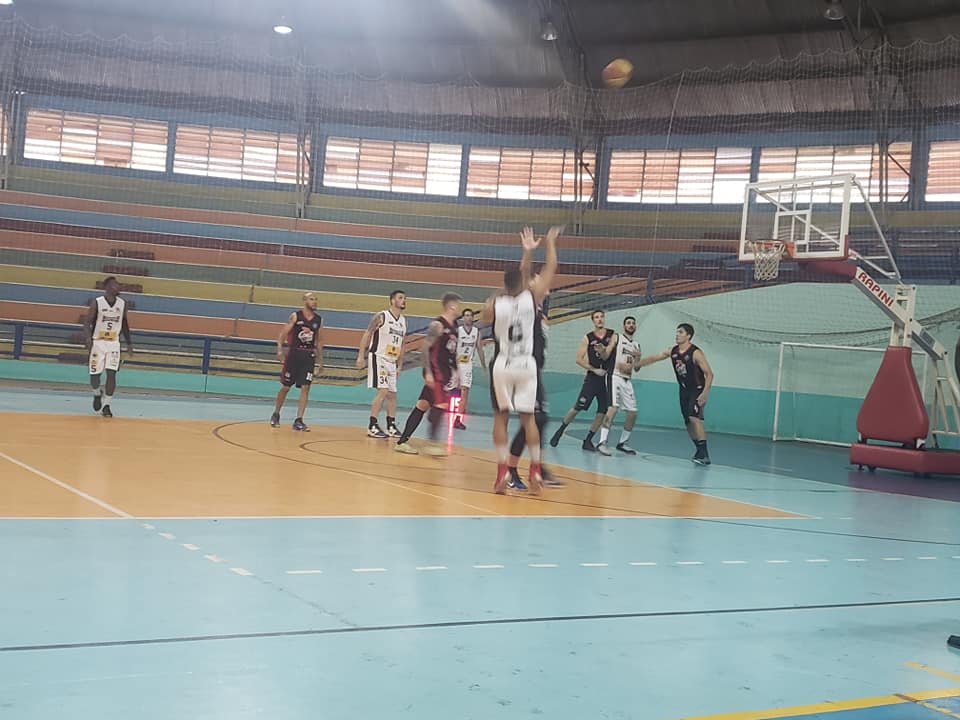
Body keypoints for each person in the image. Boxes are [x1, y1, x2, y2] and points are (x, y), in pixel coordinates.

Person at [482, 225, 561, 495]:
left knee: (500, 418)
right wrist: (548, 243)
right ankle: (536, 468)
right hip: (527, 365)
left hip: (503, 364)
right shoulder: (532, 300)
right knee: (529, 420)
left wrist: (522, 261)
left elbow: (484, 315)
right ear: (525, 284)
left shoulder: (495, 304)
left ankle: (503, 469)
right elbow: (550, 268)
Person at [506, 272, 560, 490]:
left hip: (534, 370)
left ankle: (534, 467)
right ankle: (513, 470)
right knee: (536, 419)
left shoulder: (539, 313)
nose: (545, 285)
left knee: (539, 420)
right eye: (540, 280)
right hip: (522, 369)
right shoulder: (525, 306)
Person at [394, 293, 462, 457]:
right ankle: (432, 442)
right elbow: (425, 349)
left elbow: (451, 352)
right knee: (440, 406)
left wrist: (456, 370)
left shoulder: (455, 327)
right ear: (451, 306)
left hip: (445, 372)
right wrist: (428, 373)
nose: (459, 307)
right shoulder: (437, 325)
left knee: (422, 405)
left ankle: (402, 442)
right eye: (457, 304)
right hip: (436, 371)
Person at [642, 323, 715, 465]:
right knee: (688, 423)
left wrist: (705, 393)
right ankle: (699, 450)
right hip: (683, 390)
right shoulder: (673, 351)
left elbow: (709, 374)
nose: (677, 334)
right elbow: (656, 357)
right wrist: (638, 364)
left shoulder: (695, 352)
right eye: (676, 332)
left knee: (695, 418)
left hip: (697, 389)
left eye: (681, 332)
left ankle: (705, 454)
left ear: (688, 336)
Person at [549, 310, 618, 454]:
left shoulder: (613, 335)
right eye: (596, 318)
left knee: (602, 411)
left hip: (607, 379)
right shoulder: (588, 338)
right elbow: (578, 359)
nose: (600, 320)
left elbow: (611, 353)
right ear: (593, 321)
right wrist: (593, 369)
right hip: (593, 378)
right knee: (578, 407)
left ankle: (588, 440)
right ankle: (560, 431)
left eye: (601, 317)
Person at [356, 290, 406, 438]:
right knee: (383, 391)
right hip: (379, 357)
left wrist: (400, 365)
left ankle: (391, 424)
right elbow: (367, 333)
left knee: (392, 395)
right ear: (392, 300)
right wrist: (360, 356)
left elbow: (402, 345)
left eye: (405, 298)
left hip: (392, 360)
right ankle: (372, 425)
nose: (404, 300)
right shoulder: (381, 316)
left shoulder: (403, 320)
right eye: (400, 298)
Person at [271, 292, 323, 431]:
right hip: (294, 354)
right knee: (286, 387)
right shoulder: (296, 316)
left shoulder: (318, 319)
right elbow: (283, 333)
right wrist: (280, 350)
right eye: (312, 299)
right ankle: (276, 413)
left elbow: (318, 340)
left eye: (316, 299)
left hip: (308, 356)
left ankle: (299, 420)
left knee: (306, 387)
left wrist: (321, 361)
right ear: (305, 301)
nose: (314, 302)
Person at [84, 276, 133, 418]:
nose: (118, 287)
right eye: (114, 285)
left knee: (112, 373)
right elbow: (87, 322)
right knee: (95, 376)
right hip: (97, 342)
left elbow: (124, 324)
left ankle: (107, 405)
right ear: (107, 287)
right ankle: (97, 393)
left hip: (113, 343)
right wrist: (88, 337)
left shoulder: (123, 303)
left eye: (118, 284)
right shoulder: (97, 303)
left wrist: (129, 343)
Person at [596, 316, 642, 455]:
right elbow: (605, 355)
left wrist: (638, 357)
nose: (631, 325)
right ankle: (602, 442)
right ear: (624, 326)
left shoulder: (637, 345)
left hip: (627, 379)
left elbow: (637, 368)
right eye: (628, 323)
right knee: (613, 408)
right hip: (614, 376)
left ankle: (623, 443)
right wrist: (602, 350)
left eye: (633, 323)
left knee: (633, 413)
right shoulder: (617, 337)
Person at [453, 308, 485, 430]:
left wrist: (483, 366)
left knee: (465, 392)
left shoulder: (476, 332)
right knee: (445, 389)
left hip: (467, 364)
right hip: (455, 364)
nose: (468, 318)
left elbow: (480, 349)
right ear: (463, 318)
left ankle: (458, 419)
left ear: (473, 318)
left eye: (470, 315)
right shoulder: (458, 331)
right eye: (466, 315)